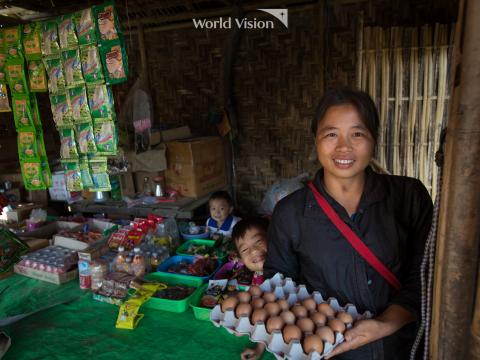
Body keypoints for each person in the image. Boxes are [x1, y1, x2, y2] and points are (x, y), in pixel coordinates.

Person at [264, 88, 433, 360]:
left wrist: (386, 323)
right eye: (331, 134)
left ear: (374, 139)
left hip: (404, 348)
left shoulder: (409, 197)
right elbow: (279, 283)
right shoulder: (290, 213)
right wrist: (260, 323)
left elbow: (427, 273)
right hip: (330, 353)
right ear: (316, 139)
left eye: (357, 133)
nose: (344, 147)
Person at [232, 217, 269, 360]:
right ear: (241, 259)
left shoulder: (288, 271)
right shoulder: (257, 277)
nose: (253, 251)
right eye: (245, 249)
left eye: (258, 242)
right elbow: (265, 316)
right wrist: (259, 349)